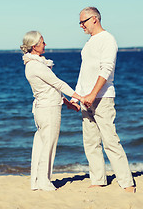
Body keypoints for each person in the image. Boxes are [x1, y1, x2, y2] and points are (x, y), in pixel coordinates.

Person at [71, 7, 136, 193]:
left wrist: (93, 94)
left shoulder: (108, 39)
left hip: (102, 98)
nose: (81, 26)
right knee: (90, 142)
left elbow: (106, 70)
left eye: (83, 22)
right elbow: (84, 73)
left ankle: (127, 182)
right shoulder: (89, 43)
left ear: (94, 19)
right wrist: (76, 96)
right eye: (80, 23)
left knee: (110, 141)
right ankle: (98, 180)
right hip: (85, 99)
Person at [20, 31, 82, 191]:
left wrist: (68, 103)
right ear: (34, 46)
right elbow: (58, 83)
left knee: (41, 145)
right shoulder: (36, 66)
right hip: (48, 111)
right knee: (48, 146)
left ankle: (36, 181)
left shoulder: (34, 64)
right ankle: (44, 182)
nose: (45, 44)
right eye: (42, 42)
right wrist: (79, 96)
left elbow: (51, 88)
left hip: (43, 109)